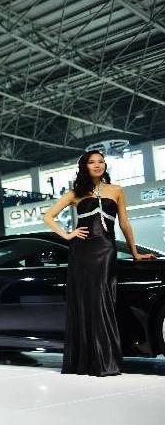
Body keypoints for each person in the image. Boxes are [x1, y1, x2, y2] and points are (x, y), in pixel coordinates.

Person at [42, 150, 156, 376]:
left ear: (105, 165)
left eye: (101, 162)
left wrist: (135, 253)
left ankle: (105, 360)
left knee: (103, 300)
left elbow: (124, 223)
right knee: (84, 302)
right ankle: (85, 361)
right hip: (82, 251)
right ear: (85, 166)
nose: (97, 165)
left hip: (105, 250)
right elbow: (48, 215)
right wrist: (67, 235)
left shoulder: (117, 190)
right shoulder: (76, 193)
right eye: (92, 162)